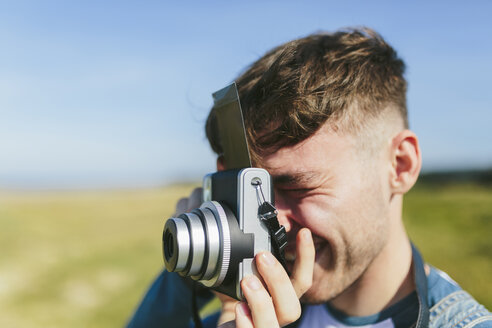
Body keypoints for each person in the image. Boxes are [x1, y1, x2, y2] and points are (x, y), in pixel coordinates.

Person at [127, 27, 491, 328]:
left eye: (296, 186)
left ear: (400, 166)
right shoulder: (255, 314)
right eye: (252, 193)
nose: (268, 222)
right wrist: (196, 271)